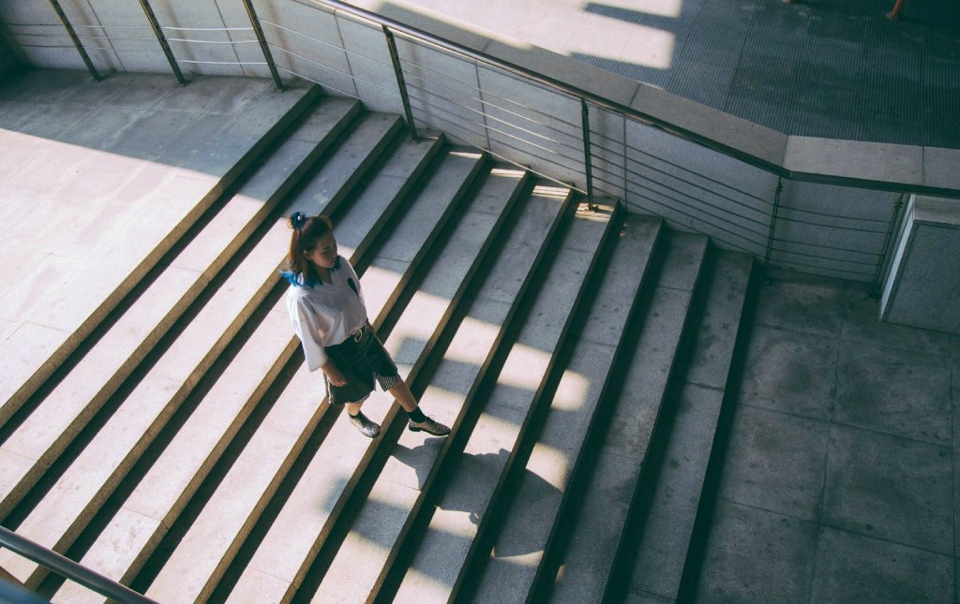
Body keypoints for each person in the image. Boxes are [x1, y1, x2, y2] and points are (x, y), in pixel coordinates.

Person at [283, 211, 450, 438]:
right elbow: (307, 336)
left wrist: (365, 322)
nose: (334, 252)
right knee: (358, 395)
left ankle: (418, 419)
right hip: (340, 352)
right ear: (307, 254)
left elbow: (356, 293)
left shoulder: (340, 265)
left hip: (364, 336)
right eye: (326, 251)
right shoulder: (301, 295)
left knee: (391, 376)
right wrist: (328, 368)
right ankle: (354, 415)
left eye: (333, 245)